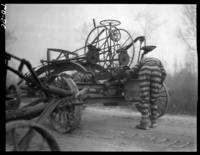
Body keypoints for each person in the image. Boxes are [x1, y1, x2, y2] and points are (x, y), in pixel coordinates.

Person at [125, 50, 167, 130]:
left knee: (145, 99)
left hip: (145, 71)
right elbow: (164, 73)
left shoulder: (143, 60)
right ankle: (154, 123)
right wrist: (160, 82)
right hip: (157, 72)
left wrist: (128, 74)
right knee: (154, 100)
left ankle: (144, 124)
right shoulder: (158, 61)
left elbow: (134, 70)